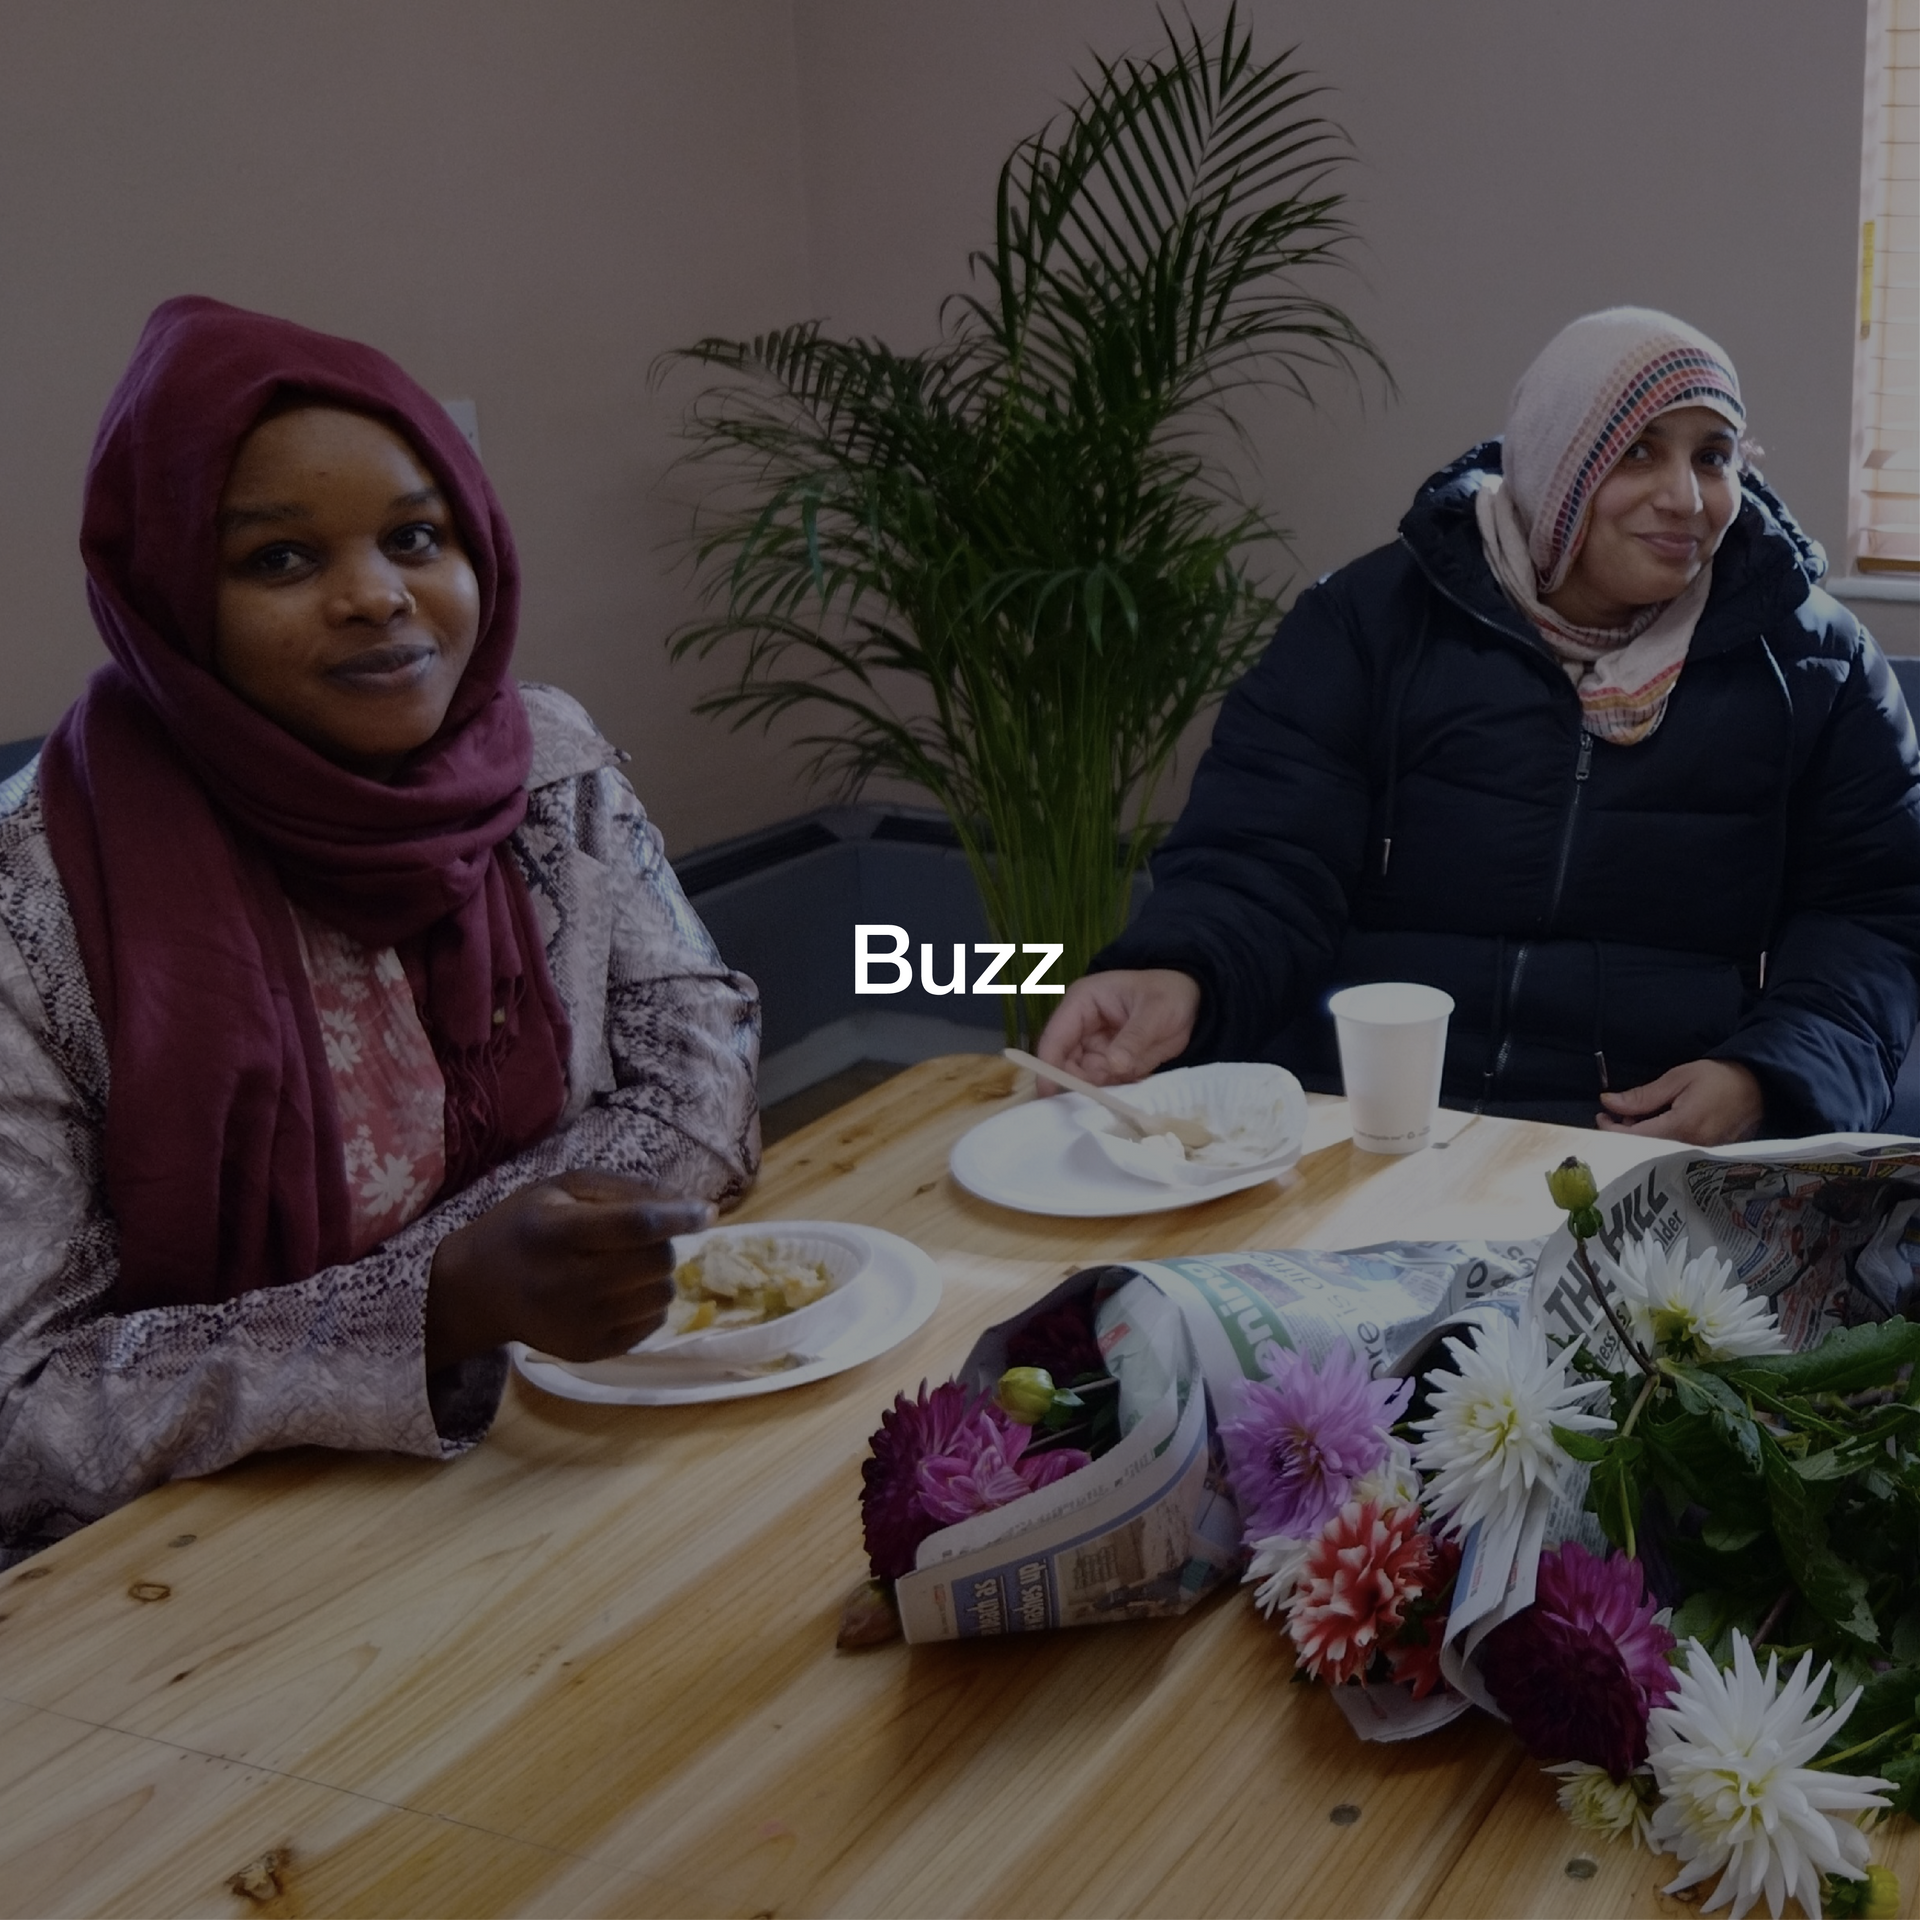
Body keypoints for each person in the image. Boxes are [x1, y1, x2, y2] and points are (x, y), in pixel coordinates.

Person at [0, 298, 761, 1561]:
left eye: (416, 536)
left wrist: (489, 1292)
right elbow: (25, 1413)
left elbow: (702, 1093)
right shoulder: (38, 899)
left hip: (545, 1461)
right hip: (186, 1580)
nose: (375, 597)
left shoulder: (544, 764)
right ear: (170, 594)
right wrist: (436, 1303)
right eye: (280, 560)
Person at [1038, 308, 1920, 1144]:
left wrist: (1763, 1078)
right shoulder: (1367, 624)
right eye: (1639, 451)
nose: (1686, 498)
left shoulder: (1817, 665)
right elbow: (1260, 859)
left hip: (1640, 1158)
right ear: (1557, 462)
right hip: (1358, 1127)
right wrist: (1179, 971)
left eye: (1714, 456)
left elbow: (1872, 921)